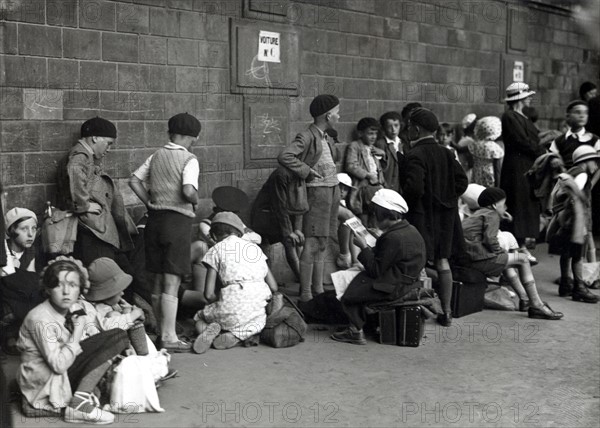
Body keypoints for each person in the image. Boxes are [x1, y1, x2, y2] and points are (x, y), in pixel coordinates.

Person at [17, 257, 129, 424]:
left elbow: (89, 339)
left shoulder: (71, 307)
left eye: (72, 285)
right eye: (58, 285)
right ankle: (78, 406)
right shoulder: (40, 318)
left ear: (80, 289)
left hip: (60, 372)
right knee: (116, 337)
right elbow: (58, 364)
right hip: (47, 382)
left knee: (116, 336)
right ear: (47, 289)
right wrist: (77, 332)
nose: (66, 292)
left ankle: (82, 396)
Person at [129, 112, 201, 352]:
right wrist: (195, 200)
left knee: (158, 279)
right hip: (177, 222)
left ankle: (161, 332)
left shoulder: (156, 155)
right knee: (172, 279)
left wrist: (150, 201)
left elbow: (134, 181)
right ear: (191, 137)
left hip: (154, 222)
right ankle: (169, 336)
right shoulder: (189, 159)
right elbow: (189, 190)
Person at [400, 107, 468, 327]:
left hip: (421, 216)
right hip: (446, 217)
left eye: (409, 127)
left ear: (416, 129)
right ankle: (446, 312)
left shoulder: (414, 155)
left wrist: (415, 202)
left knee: (418, 262)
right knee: (442, 261)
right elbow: (462, 183)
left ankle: (417, 314)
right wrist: (446, 198)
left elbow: (415, 189)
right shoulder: (447, 152)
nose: (407, 130)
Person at [331, 189, 426, 345]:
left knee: (350, 291)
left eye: (375, 214)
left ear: (384, 215)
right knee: (354, 279)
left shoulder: (393, 237)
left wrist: (363, 247)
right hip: (406, 279)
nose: (373, 218)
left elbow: (375, 270)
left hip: (394, 285)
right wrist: (379, 239)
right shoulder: (409, 230)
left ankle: (355, 331)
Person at [461, 188, 563, 319]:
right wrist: (500, 252)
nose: (506, 207)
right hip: (478, 260)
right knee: (523, 259)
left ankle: (525, 299)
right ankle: (536, 305)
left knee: (508, 262)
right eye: (503, 204)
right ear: (493, 205)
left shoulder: (479, 214)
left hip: (469, 258)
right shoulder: (491, 215)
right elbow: (490, 239)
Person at [278, 94, 341, 302]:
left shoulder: (326, 136)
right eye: (337, 113)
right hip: (317, 193)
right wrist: (306, 171)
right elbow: (285, 156)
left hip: (331, 191)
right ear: (328, 115)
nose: (339, 117)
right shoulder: (306, 136)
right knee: (312, 243)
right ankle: (306, 294)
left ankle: (318, 290)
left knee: (323, 243)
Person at [192, 212, 279, 354]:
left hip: (230, 305)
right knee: (257, 322)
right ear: (240, 233)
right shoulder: (255, 248)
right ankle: (237, 335)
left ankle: (210, 331)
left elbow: (208, 294)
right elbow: (274, 287)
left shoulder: (215, 250)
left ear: (214, 236)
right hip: (256, 305)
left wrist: (218, 302)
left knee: (199, 318)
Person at [57, 117, 136, 266]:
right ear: (95, 138)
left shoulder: (84, 155)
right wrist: (84, 205)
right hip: (92, 226)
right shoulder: (80, 156)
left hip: (93, 225)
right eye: (108, 143)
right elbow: (75, 176)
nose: (109, 149)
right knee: (103, 267)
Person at [547, 146, 600, 303]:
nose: (597, 165)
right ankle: (579, 288)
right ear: (585, 161)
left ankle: (565, 284)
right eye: (595, 161)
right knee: (578, 255)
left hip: (563, 218)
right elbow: (573, 194)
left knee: (566, 253)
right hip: (575, 220)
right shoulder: (582, 175)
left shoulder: (570, 173)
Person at [500, 82, 545, 250]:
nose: (530, 99)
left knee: (526, 203)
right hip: (516, 167)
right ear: (520, 98)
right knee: (518, 203)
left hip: (527, 166)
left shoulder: (523, 117)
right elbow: (521, 141)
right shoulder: (510, 116)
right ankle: (517, 246)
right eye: (528, 96)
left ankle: (522, 244)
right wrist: (541, 151)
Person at [192, 186, 261, 293]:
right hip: (212, 265)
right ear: (218, 211)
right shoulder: (205, 225)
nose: (231, 216)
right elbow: (225, 243)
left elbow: (257, 238)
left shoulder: (234, 221)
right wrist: (243, 236)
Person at [0, 208, 45, 355]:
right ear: (12, 230)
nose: (31, 234)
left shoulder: (32, 252)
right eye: (24, 229)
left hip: (20, 300)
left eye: (33, 228)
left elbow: (30, 284)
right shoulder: (3, 251)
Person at [250, 168, 307, 281]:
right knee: (290, 242)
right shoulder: (280, 175)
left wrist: (297, 229)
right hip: (265, 215)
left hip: (281, 216)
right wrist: (289, 232)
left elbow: (300, 206)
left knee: (299, 241)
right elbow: (279, 206)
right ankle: (302, 279)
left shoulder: (302, 175)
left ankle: (304, 278)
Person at [85, 257, 149, 355]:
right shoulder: (89, 309)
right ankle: (143, 358)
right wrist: (132, 316)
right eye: (118, 290)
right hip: (105, 350)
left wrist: (135, 313)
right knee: (114, 315)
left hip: (128, 347)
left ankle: (145, 357)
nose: (122, 293)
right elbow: (107, 327)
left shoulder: (114, 305)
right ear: (107, 292)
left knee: (127, 313)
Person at [344, 117, 386, 222]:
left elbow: (381, 167)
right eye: (370, 133)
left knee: (376, 215)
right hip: (363, 186)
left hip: (376, 185)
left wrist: (383, 154)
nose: (373, 137)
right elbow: (350, 165)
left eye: (375, 134)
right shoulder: (355, 146)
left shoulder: (374, 148)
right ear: (360, 133)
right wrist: (367, 175)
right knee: (364, 214)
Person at [468, 116, 504, 187]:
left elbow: (470, 161)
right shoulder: (495, 148)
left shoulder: (475, 144)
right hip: (489, 176)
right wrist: (498, 187)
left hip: (477, 174)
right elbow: (497, 170)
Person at [336, 173, 360, 269]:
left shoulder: (344, 204)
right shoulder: (331, 201)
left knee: (355, 222)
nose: (342, 191)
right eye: (339, 187)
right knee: (351, 220)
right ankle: (344, 256)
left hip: (342, 231)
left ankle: (356, 261)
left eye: (345, 189)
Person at [375, 111, 403, 193]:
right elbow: (379, 166)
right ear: (384, 128)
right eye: (389, 126)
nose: (393, 129)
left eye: (396, 126)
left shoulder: (402, 143)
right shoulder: (381, 143)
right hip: (387, 183)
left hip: (400, 184)